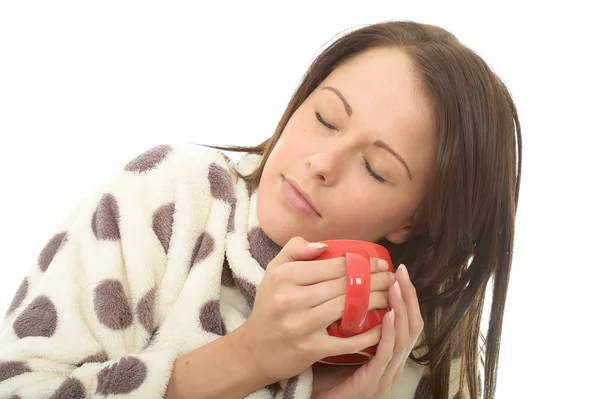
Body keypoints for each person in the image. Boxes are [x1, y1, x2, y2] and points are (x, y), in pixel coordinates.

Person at [0, 20, 521, 399]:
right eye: (325, 115)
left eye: (376, 169)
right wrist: (249, 358)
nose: (321, 161)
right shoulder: (175, 197)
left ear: (416, 220)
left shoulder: (425, 356)